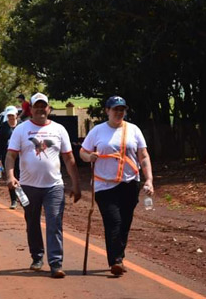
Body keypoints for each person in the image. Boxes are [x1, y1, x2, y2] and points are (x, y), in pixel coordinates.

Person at [5, 92, 81, 279]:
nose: (40, 109)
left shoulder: (59, 129)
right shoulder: (21, 130)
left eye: (43, 106)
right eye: (36, 106)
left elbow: (69, 158)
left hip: (54, 186)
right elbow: (10, 156)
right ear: (30, 109)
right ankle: (37, 256)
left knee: (54, 221)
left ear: (48, 108)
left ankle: (56, 263)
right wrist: (10, 176)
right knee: (32, 222)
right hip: (28, 186)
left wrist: (76, 184)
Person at [79, 96, 154, 276]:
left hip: (129, 183)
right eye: (115, 109)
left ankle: (118, 255)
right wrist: (89, 157)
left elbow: (143, 156)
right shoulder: (98, 131)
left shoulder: (133, 130)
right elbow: (82, 151)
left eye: (122, 110)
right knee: (114, 221)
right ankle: (116, 261)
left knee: (125, 223)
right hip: (104, 185)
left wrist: (149, 179)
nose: (119, 113)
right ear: (107, 111)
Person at [0, 106, 21, 209]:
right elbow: (0, 143)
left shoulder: (21, 126)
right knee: (11, 177)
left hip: (21, 156)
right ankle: (13, 200)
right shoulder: (3, 127)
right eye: (9, 115)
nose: (11, 117)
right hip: (8, 156)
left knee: (21, 177)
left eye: (12, 115)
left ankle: (21, 196)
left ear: (17, 115)